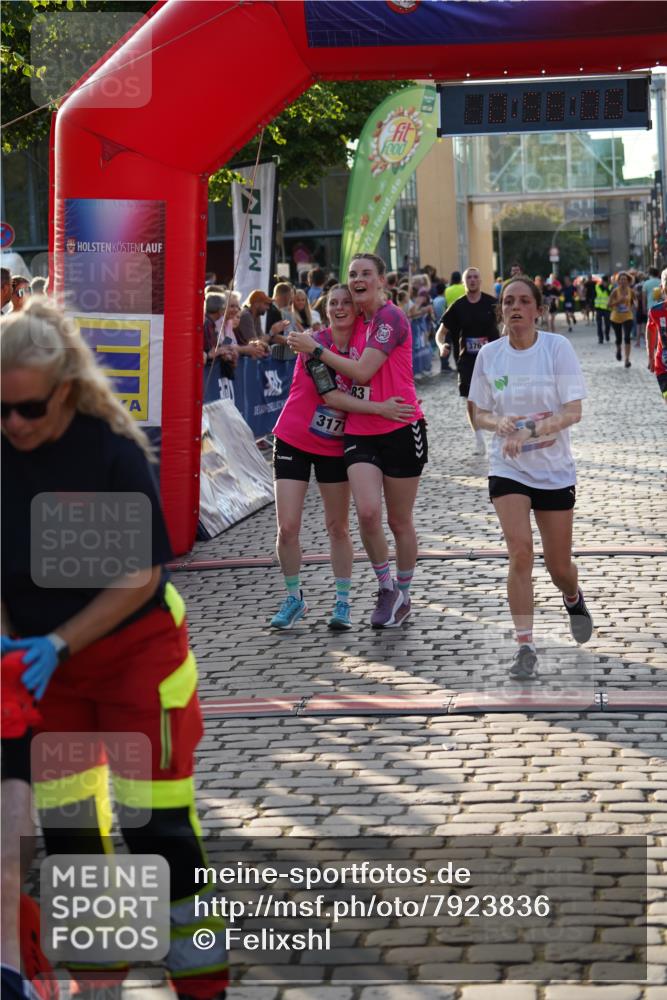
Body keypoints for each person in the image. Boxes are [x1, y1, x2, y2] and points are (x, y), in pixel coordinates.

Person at [0, 300, 228, 998]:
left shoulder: (107, 451)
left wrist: (58, 642)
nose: (13, 424)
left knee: (156, 826)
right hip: (49, 672)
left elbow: (138, 576)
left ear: (63, 390)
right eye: (0, 409)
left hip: (135, 660)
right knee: (73, 838)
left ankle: (202, 983)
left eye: (29, 409)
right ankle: (100, 988)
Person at [288, 252, 427, 629]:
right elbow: (337, 385)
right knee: (367, 513)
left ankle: (404, 592)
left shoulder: (389, 318)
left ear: (382, 280)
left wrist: (315, 349)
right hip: (360, 430)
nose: (358, 279)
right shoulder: (355, 322)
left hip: (401, 426)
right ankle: (385, 589)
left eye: (366, 273)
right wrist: (314, 345)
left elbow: (364, 371)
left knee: (399, 521)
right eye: (352, 274)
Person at [468, 275, 592, 680]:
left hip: (554, 470)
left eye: (524, 301)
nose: (515, 307)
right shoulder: (490, 356)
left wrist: (531, 432)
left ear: (538, 309)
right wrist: (497, 421)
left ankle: (572, 596)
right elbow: (478, 412)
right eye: (508, 302)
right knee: (519, 551)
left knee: (559, 567)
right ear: (501, 310)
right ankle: (525, 645)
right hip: (508, 468)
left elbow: (574, 412)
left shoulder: (557, 348)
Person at [435, 266, 499, 455]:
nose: (472, 280)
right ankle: (479, 439)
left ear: (480, 281)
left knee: (497, 397)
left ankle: (500, 429)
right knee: (471, 400)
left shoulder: (492, 303)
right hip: (467, 359)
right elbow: (441, 333)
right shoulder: (458, 306)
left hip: (492, 358)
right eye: (468, 277)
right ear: (464, 282)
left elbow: (507, 325)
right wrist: (441, 346)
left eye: (475, 277)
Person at [646, 266, 667, 404]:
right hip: (663, 367)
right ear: (662, 287)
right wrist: (651, 357)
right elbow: (651, 330)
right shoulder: (656, 311)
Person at [608, 271, 634, 367]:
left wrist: (635, 305)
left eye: (625, 279)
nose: (623, 281)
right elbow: (608, 305)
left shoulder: (631, 291)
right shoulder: (615, 291)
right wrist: (618, 302)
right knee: (618, 338)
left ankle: (627, 359)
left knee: (627, 337)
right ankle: (618, 349)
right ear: (618, 281)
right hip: (616, 317)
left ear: (628, 281)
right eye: (621, 279)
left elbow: (634, 301)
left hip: (628, 316)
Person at [594, 274, 612, 344]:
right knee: (599, 324)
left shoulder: (610, 287)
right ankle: (600, 338)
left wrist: (607, 288)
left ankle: (607, 334)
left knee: (607, 324)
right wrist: (604, 287)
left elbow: (610, 294)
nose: (610, 281)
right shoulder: (597, 286)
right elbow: (600, 293)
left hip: (607, 308)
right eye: (608, 280)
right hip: (599, 308)